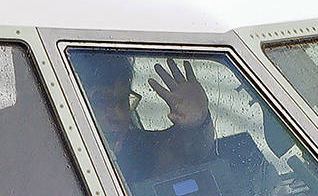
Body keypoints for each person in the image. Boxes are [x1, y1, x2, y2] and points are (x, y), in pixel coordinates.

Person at [73, 52, 217, 183]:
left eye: (123, 102)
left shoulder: (139, 150)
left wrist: (198, 124)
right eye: (102, 101)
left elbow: (187, 151)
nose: (118, 116)